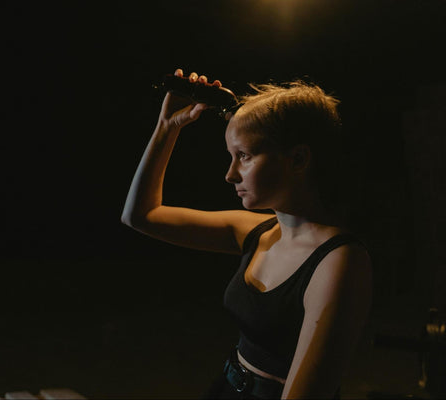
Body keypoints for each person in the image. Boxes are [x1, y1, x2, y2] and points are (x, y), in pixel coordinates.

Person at [121, 68, 372, 399]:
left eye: (244, 156)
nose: (230, 174)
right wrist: (166, 128)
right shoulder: (256, 231)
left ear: (298, 159)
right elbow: (141, 216)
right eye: (231, 157)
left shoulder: (338, 262)